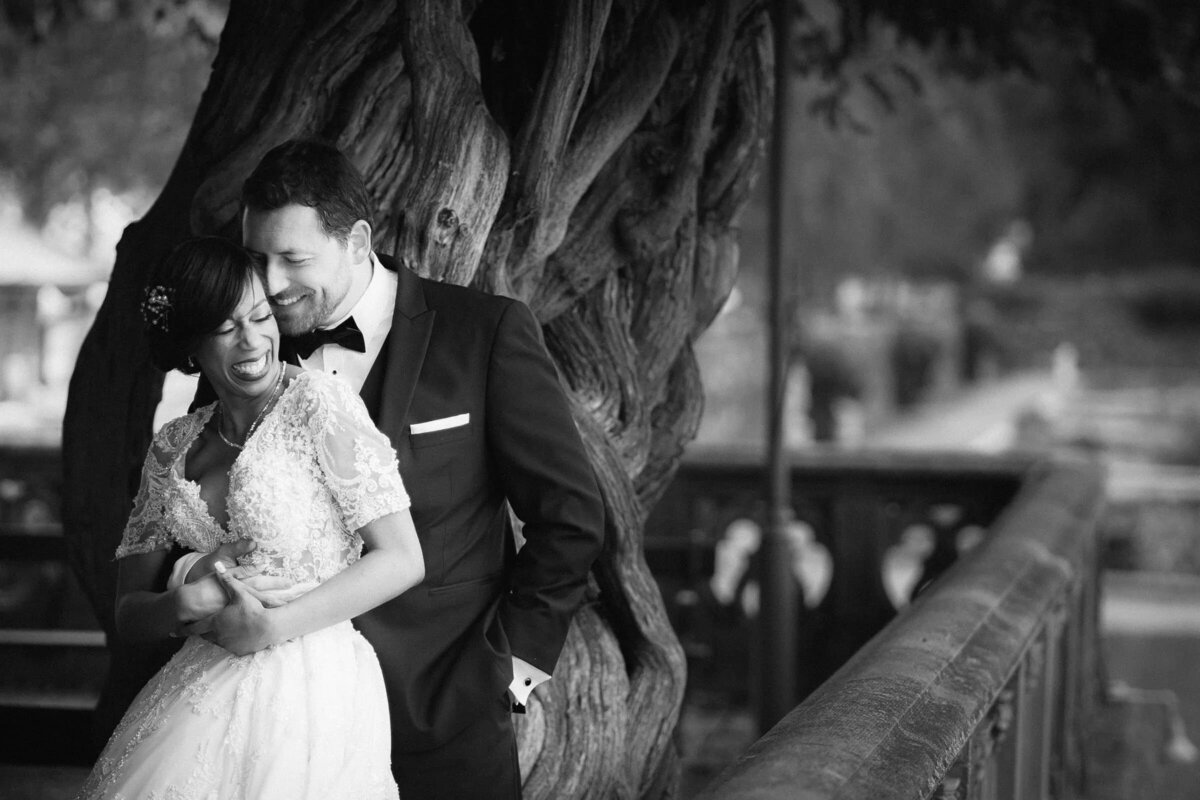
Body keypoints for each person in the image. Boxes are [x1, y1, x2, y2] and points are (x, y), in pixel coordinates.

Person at [173, 140, 606, 799]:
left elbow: (570, 517)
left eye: (294, 258)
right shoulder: (247, 342)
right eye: (258, 257)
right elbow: (206, 497)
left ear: (357, 242)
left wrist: (511, 676)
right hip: (284, 728)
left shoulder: (483, 333)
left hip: (445, 713)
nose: (272, 280)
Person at [76, 236, 424, 799]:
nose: (253, 339)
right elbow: (129, 614)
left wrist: (271, 627)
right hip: (199, 688)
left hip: (313, 688)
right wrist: (184, 600)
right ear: (191, 344)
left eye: (261, 315)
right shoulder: (172, 447)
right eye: (225, 327)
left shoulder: (318, 404)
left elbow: (403, 559)